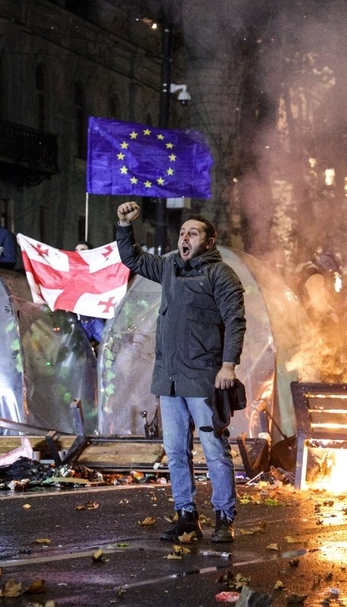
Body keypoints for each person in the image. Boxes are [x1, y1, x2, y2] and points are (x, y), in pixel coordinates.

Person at [115, 200, 246, 543]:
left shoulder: (220, 275)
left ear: (209, 242)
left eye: (193, 233)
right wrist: (125, 226)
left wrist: (228, 365)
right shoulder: (170, 268)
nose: (185, 238)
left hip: (203, 378)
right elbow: (132, 259)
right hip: (170, 379)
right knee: (175, 452)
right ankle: (186, 516)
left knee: (214, 450)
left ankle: (224, 517)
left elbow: (235, 321)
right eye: (183, 233)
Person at [73, 241, 106, 347]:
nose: (79, 252)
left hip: (95, 318)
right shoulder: (72, 271)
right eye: (76, 250)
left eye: (83, 250)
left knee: (109, 345)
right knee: (81, 350)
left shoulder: (97, 270)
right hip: (80, 321)